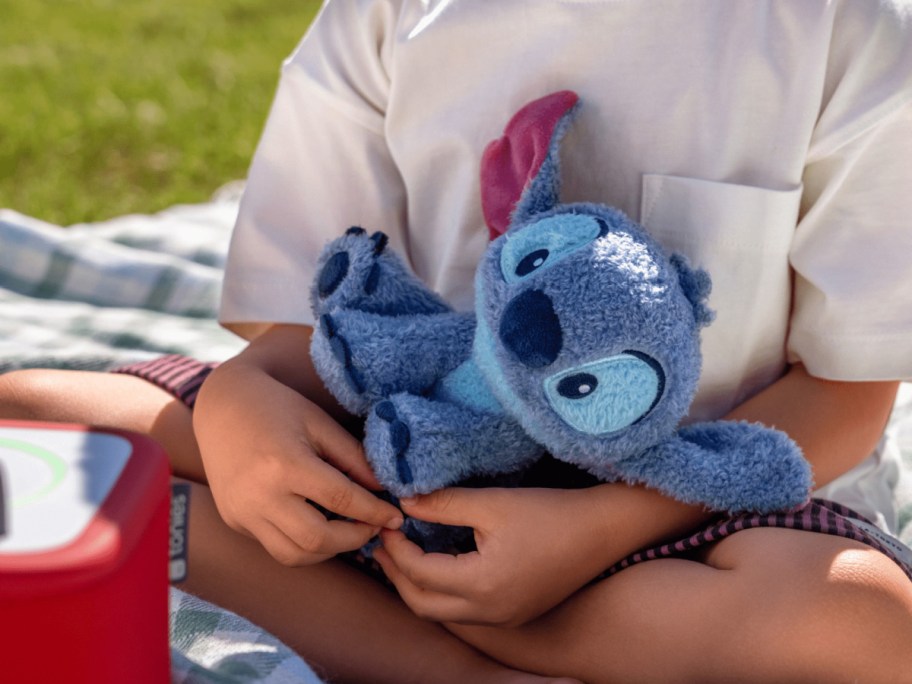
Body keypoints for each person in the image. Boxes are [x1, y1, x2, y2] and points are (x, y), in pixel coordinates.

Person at [3, 1, 912, 681]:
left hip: (686, 519)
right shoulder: (391, 16)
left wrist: (595, 529)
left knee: (864, 620)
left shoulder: (844, 35)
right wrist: (246, 414)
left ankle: (484, 646)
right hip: (391, 471)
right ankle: (463, 655)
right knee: (32, 419)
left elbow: (844, 393)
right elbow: (299, 318)